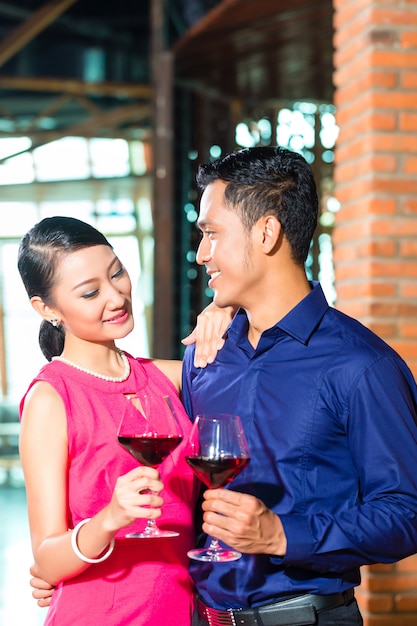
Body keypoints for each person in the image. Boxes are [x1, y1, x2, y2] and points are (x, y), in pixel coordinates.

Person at [179, 146, 417, 626]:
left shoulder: (362, 365)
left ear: (266, 232)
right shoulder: (205, 353)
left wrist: (281, 535)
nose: (201, 254)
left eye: (211, 234)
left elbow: (406, 514)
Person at [17, 216, 230, 626]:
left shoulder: (164, 377)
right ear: (47, 309)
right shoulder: (51, 399)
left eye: (117, 273)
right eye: (90, 292)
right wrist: (109, 518)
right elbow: (47, 557)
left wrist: (223, 310)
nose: (116, 297)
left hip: (183, 612)